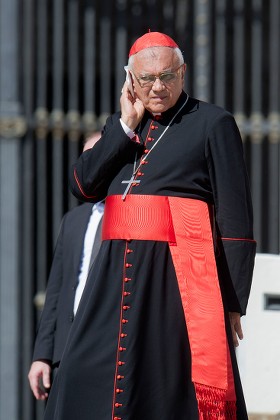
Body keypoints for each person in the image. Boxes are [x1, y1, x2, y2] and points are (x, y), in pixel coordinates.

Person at [44, 32, 256, 420]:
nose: (157, 87)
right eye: (146, 79)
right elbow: (82, 186)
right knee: (81, 372)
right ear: (130, 79)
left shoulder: (213, 123)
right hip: (112, 276)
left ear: (183, 72)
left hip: (176, 277)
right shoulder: (122, 127)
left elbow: (236, 221)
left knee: (168, 381)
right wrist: (125, 125)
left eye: (167, 76)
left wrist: (231, 301)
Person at [28, 133, 103, 401]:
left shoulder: (131, 214)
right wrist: (42, 355)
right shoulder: (73, 219)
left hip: (108, 350)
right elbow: (56, 291)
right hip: (67, 351)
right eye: (86, 157)